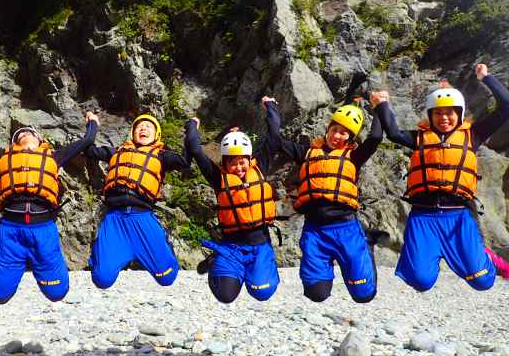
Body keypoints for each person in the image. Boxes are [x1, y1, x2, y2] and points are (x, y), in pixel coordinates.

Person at [371, 63, 509, 292]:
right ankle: (434, 254)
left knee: (483, 282)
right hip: (423, 216)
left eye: (449, 113)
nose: (444, 118)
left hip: (458, 217)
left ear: (459, 115)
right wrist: (383, 103)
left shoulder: (473, 136)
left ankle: (485, 258)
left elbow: (506, 106)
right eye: (438, 113)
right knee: (420, 281)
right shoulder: (419, 138)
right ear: (431, 116)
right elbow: (394, 133)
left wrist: (486, 78)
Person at [0, 92, 98, 303]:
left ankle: (37, 266)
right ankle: (16, 268)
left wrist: (92, 123)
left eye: (29, 133)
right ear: (14, 143)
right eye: (19, 135)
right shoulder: (3, 155)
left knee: (57, 293)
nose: (25, 135)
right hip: (10, 231)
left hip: (43, 229)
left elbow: (87, 140)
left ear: (40, 140)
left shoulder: (54, 157)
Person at [280, 98, 383, 303]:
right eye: (334, 129)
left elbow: (376, 136)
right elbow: (276, 139)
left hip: (345, 227)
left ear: (349, 138)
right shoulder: (307, 153)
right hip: (315, 230)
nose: (336, 136)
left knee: (364, 295)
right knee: (316, 294)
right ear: (327, 129)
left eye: (343, 133)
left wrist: (380, 106)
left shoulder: (354, 156)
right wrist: (272, 108)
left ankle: (366, 242)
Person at [184, 96, 281, 303]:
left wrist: (270, 106)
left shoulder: (260, 167)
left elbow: (273, 135)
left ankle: (253, 270)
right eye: (232, 163)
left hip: (260, 243)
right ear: (225, 164)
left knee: (261, 292)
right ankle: (218, 262)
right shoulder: (219, 178)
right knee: (225, 296)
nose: (238, 167)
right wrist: (193, 124)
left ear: (249, 159)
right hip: (232, 246)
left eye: (242, 162)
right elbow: (194, 149)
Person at [85, 113, 190, 289]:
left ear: (156, 135)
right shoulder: (116, 152)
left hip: (142, 218)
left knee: (167, 277)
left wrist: (191, 129)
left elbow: (186, 161)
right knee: (102, 279)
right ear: (133, 133)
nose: (143, 129)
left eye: (149, 127)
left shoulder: (162, 156)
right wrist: (92, 125)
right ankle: (105, 253)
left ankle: (165, 246)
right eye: (139, 127)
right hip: (115, 221)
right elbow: (88, 150)